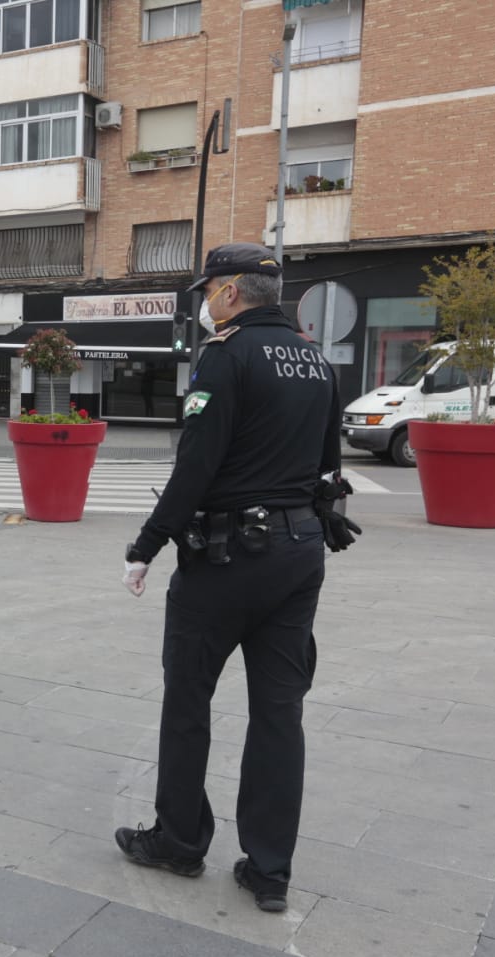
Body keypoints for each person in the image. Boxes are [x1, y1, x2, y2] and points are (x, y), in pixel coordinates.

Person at [113, 243, 352, 915]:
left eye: (205, 291)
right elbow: (328, 466)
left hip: (225, 560)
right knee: (279, 713)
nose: (202, 303)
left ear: (228, 292)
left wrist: (146, 545)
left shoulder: (225, 355)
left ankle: (179, 841)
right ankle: (269, 869)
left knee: (187, 702)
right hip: (298, 554)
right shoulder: (315, 360)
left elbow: (196, 464)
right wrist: (321, 518)